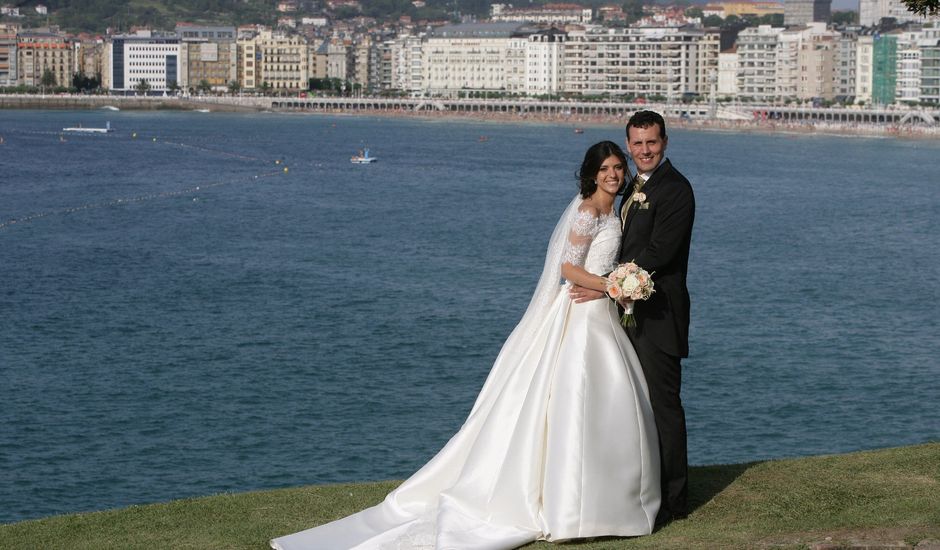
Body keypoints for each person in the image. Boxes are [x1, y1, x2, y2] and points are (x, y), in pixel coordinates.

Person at [270, 141, 660, 550]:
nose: (613, 174)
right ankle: (570, 504)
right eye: (606, 168)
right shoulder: (586, 211)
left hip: (598, 310)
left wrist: (611, 286)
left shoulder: (614, 210)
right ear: (592, 173)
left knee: (603, 401)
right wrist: (612, 285)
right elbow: (567, 268)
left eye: (618, 167)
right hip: (580, 310)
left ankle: (605, 500)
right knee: (572, 397)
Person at [571, 110, 695, 526]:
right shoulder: (633, 189)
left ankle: (675, 503)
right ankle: (642, 491)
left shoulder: (676, 190)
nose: (645, 150)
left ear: (665, 142)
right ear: (629, 146)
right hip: (627, 313)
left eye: (652, 142)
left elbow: (659, 254)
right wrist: (609, 287)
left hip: (658, 316)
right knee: (634, 407)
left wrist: (604, 283)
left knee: (663, 407)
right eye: (638, 144)